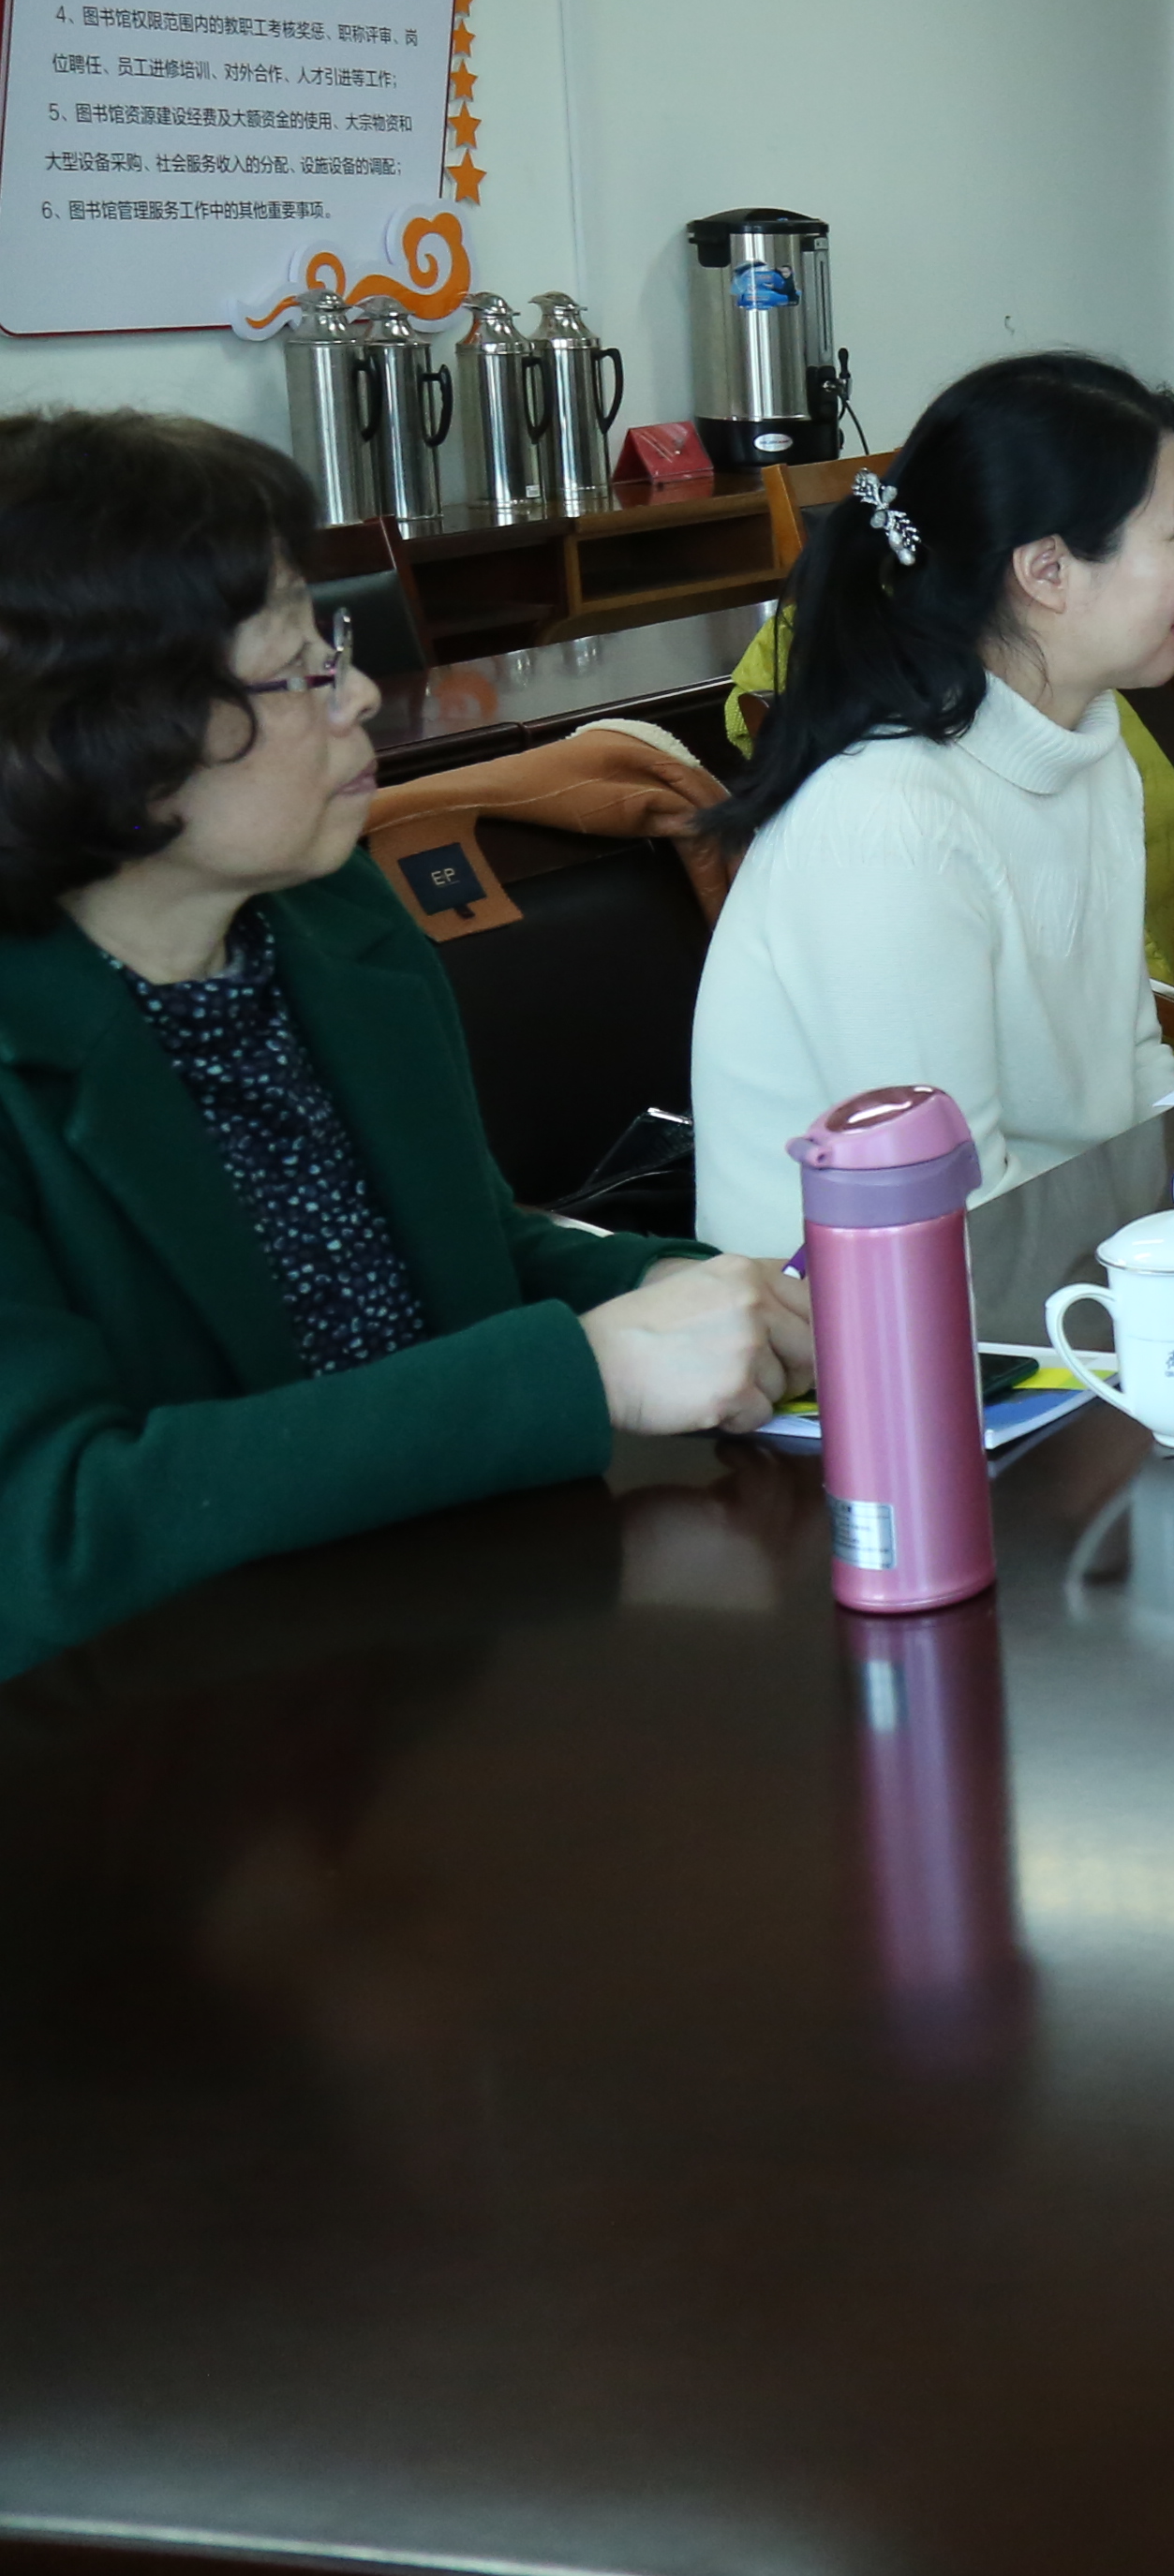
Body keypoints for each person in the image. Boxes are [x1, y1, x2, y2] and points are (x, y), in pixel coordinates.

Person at [0, 412, 805, 1672]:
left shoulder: (327, 927)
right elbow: (49, 1536)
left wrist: (676, 1287)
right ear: (108, 736)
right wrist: (574, 1376)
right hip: (156, 1771)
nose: (363, 691)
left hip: (429, 1658)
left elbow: (458, 1256)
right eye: (299, 668)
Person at [692, 356, 1174, 1256]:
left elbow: (1129, 1064)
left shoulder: (1092, 749)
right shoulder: (891, 817)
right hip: (859, 1330)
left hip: (1058, 1263)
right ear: (1048, 570)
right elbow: (948, 1204)